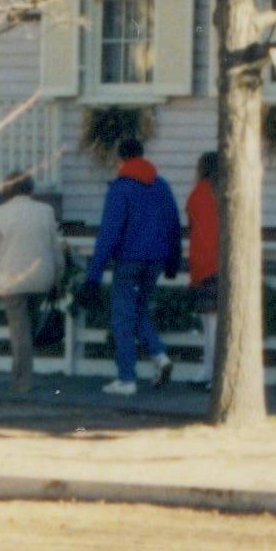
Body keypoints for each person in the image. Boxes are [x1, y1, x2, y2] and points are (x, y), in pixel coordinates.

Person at [79, 137, 184, 396]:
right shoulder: (161, 186)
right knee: (138, 310)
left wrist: (94, 274)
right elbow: (174, 225)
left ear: (120, 159)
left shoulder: (120, 188)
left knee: (123, 317)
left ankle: (127, 378)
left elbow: (109, 233)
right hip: (157, 260)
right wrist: (174, 261)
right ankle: (159, 356)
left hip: (128, 260)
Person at [0, 174, 64, 395]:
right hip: (41, 277)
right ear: (30, 188)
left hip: (11, 279)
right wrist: (57, 277)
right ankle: (21, 374)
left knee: (19, 331)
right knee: (28, 328)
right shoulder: (46, 211)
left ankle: (22, 380)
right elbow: (56, 249)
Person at [184, 150, 222, 385]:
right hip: (223, 264)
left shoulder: (198, 194)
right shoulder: (224, 194)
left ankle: (210, 371)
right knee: (217, 326)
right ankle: (212, 373)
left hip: (204, 264)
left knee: (210, 325)